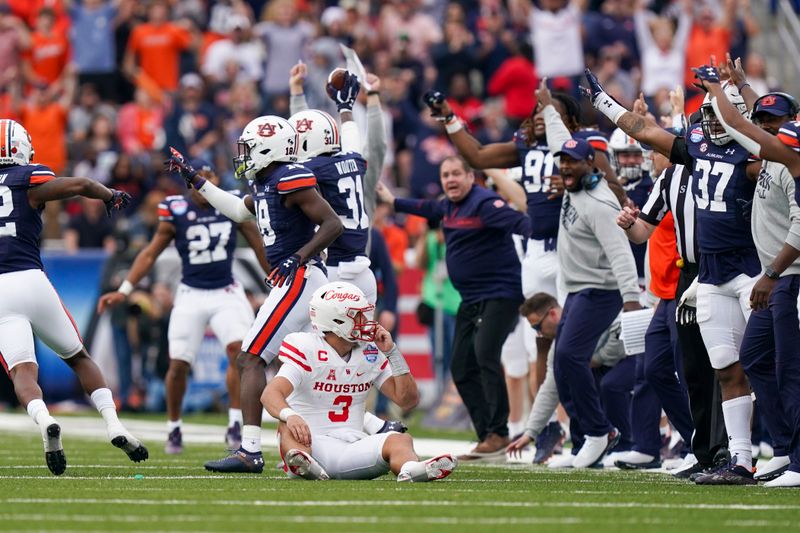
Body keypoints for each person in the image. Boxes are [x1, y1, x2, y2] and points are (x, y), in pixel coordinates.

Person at [585, 60, 761, 484]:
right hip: (704, 273)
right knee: (716, 365)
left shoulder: (754, 152)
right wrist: (603, 103)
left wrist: (729, 89)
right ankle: (731, 456)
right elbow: (644, 132)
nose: (710, 123)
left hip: (751, 267)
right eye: (705, 117)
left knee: (763, 360)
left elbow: (765, 130)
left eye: (716, 114)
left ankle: (777, 449)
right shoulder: (694, 151)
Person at [165, 115, 343, 474]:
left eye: (248, 148)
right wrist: (195, 179)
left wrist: (298, 257)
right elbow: (235, 210)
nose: (242, 155)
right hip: (298, 278)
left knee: (250, 359)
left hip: (301, 278)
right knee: (311, 366)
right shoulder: (266, 182)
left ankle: (249, 450)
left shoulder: (289, 178)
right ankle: (357, 432)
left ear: (267, 148)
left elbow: (332, 224)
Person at [0, 119, 147, 476]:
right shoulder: (27, 178)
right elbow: (80, 184)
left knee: (22, 370)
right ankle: (114, 425)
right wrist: (110, 195)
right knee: (79, 357)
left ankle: (45, 419)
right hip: (32, 279)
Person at [97, 159, 270, 454]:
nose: (203, 185)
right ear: (189, 183)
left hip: (226, 291)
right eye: (198, 178)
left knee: (239, 353)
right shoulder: (176, 210)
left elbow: (258, 246)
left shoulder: (229, 205)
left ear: (215, 180)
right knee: (178, 364)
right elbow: (151, 253)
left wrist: (279, 280)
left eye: (209, 177)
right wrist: (125, 290)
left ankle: (234, 422)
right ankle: (174, 427)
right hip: (190, 293)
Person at [377, 155, 531, 459]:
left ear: (471, 177)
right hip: (470, 299)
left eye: (456, 174)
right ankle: (488, 434)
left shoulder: (486, 203)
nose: (450, 180)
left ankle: (499, 433)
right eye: (446, 175)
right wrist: (392, 201)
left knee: (486, 353)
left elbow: (527, 225)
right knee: (461, 367)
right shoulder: (446, 206)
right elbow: (422, 207)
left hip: (501, 294)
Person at [701, 80, 800, 487]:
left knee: (791, 368)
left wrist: (771, 275)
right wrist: (739, 85)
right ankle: (783, 449)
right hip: (775, 279)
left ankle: (797, 459)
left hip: (788, 280)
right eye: (763, 122)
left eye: (774, 124)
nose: (766, 131)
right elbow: (744, 125)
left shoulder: (792, 167)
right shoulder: (775, 161)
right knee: (756, 357)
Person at [262, 281, 457, 482]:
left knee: (401, 440)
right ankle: (305, 466)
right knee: (286, 425)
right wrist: (291, 415)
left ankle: (410, 469)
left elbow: (408, 400)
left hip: (353, 446)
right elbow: (270, 394)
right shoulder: (307, 347)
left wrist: (392, 353)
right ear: (336, 320)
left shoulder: (369, 351)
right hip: (310, 444)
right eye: (357, 315)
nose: (366, 321)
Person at [544, 137, 642, 468]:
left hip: (601, 290)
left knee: (572, 356)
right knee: (561, 363)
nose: (565, 167)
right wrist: (547, 106)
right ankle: (588, 436)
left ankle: (599, 432)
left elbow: (621, 253)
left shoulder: (600, 203)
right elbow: (556, 134)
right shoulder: (574, 189)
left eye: (573, 161)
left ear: (591, 164)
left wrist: (631, 301)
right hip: (578, 289)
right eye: (563, 161)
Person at [615, 150, 696, 472]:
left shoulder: (696, 180)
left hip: (686, 287)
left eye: (658, 151)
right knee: (654, 369)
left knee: (690, 371)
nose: (651, 157)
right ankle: (689, 440)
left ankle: (705, 445)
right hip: (660, 293)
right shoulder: (663, 181)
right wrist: (628, 224)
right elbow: (641, 233)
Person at [507, 292, 633, 467]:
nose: (539, 334)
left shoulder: (589, 313)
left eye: (538, 327)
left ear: (552, 314)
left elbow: (620, 335)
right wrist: (530, 433)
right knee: (567, 375)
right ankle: (581, 445)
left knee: (607, 383)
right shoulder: (563, 340)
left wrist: (595, 359)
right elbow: (550, 389)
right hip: (610, 363)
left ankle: (623, 444)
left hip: (632, 356)